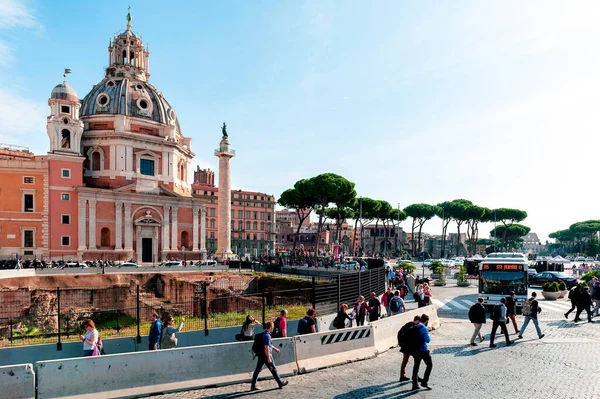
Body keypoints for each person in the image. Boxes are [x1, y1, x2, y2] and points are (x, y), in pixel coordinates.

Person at [250, 321, 288, 391]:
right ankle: (280, 382)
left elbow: (268, 345)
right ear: (270, 327)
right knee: (273, 369)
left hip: (261, 355)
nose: (273, 329)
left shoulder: (264, 334)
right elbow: (266, 347)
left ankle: (253, 385)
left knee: (258, 370)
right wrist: (268, 358)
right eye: (272, 328)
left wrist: (275, 348)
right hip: (266, 355)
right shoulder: (267, 336)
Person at [411, 314, 432, 391]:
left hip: (415, 350)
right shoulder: (424, 328)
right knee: (429, 365)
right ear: (426, 321)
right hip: (423, 349)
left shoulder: (416, 326)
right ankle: (424, 382)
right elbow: (428, 340)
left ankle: (414, 384)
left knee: (416, 366)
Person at [398, 315, 420, 382]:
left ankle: (402, 376)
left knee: (404, 361)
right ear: (417, 321)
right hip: (410, 347)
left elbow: (399, 333)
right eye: (418, 322)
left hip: (405, 347)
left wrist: (401, 343)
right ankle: (415, 376)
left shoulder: (407, 325)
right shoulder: (413, 327)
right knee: (416, 361)